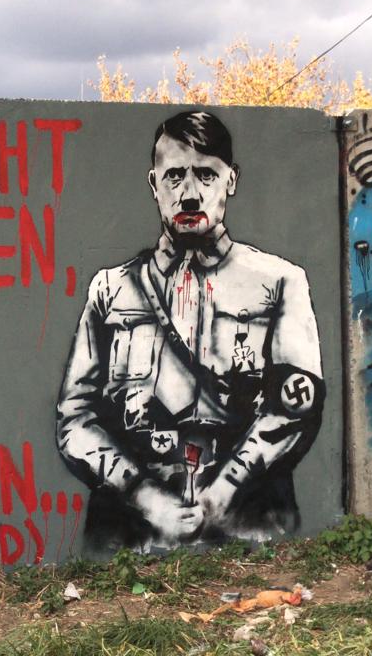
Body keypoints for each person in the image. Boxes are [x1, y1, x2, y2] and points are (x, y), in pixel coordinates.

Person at [56, 110, 324, 551]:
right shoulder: (112, 288)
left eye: (206, 175)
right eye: (175, 176)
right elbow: (75, 417)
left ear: (231, 180)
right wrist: (145, 496)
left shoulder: (279, 282)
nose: (190, 194)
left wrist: (220, 494)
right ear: (154, 184)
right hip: (129, 531)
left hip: (248, 524)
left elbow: (295, 408)